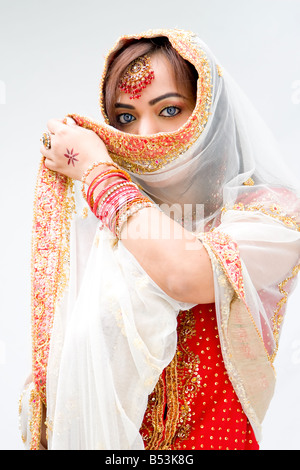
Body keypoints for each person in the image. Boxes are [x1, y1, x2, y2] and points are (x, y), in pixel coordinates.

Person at [19, 29, 300, 450]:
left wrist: (96, 171)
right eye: (126, 118)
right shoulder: (108, 230)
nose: (144, 135)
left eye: (169, 110)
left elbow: (185, 273)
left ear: (210, 112)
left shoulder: (268, 213)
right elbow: (65, 379)